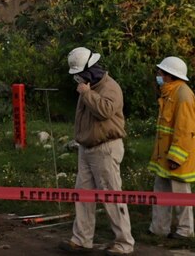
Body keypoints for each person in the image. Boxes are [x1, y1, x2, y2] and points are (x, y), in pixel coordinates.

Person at [60, 47, 135, 255]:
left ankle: (124, 243)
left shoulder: (110, 87)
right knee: (83, 196)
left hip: (105, 148)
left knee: (111, 196)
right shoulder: (90, 86)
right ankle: (82, 239)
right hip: (87, 148)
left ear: (90, 69)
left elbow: (104, 111)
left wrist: (87, 94)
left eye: (79, 74)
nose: (78, 79)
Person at [148, 56, 195, 240]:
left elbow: (185, 131)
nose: (158, 75)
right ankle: (159, 228)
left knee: (181, 196)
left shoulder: (183, 95)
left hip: (178, 157)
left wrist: (176, 157)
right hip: (164, 157)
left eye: (161, 73)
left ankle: (185, 231)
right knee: (160, 193)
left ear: (169, 75)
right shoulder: (169, 92)